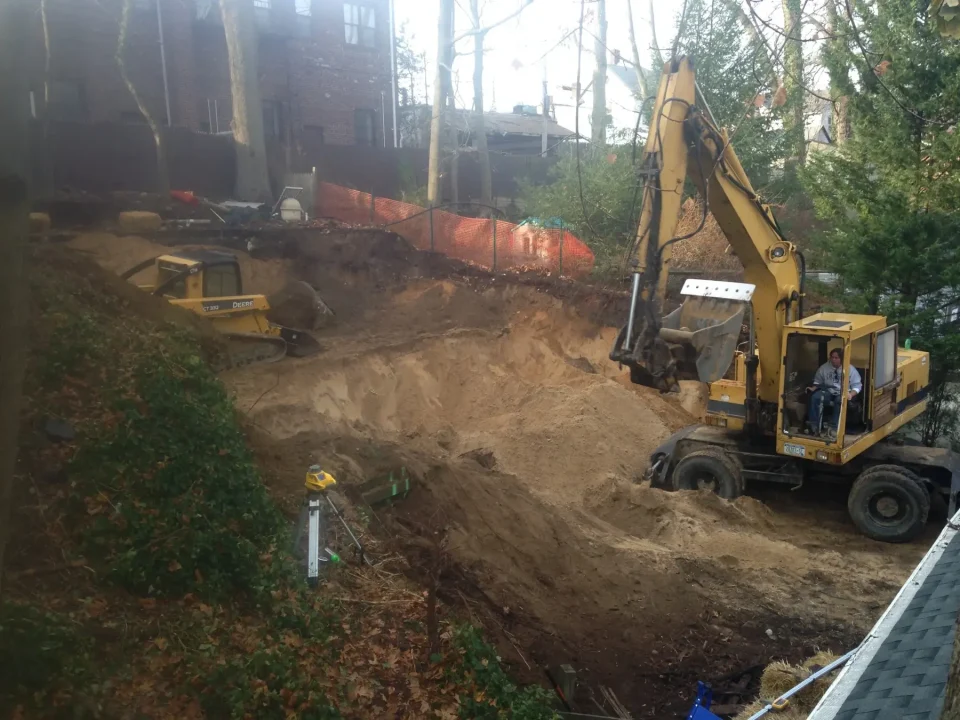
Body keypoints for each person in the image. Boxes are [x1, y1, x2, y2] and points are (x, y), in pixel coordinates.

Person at [807, 348, 862, 439]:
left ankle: (834, 428)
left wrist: (851, 394)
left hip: (843, 392)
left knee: (839, 400)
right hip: (828, 390)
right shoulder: (824, 368)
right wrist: (813, 388)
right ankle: (814, 425)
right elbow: (818, 382)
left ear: (842, 358)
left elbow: (857, 385)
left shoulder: (850, 369)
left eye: (836, 358)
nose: (833, 360)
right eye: (832, 357)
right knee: (815, 397)